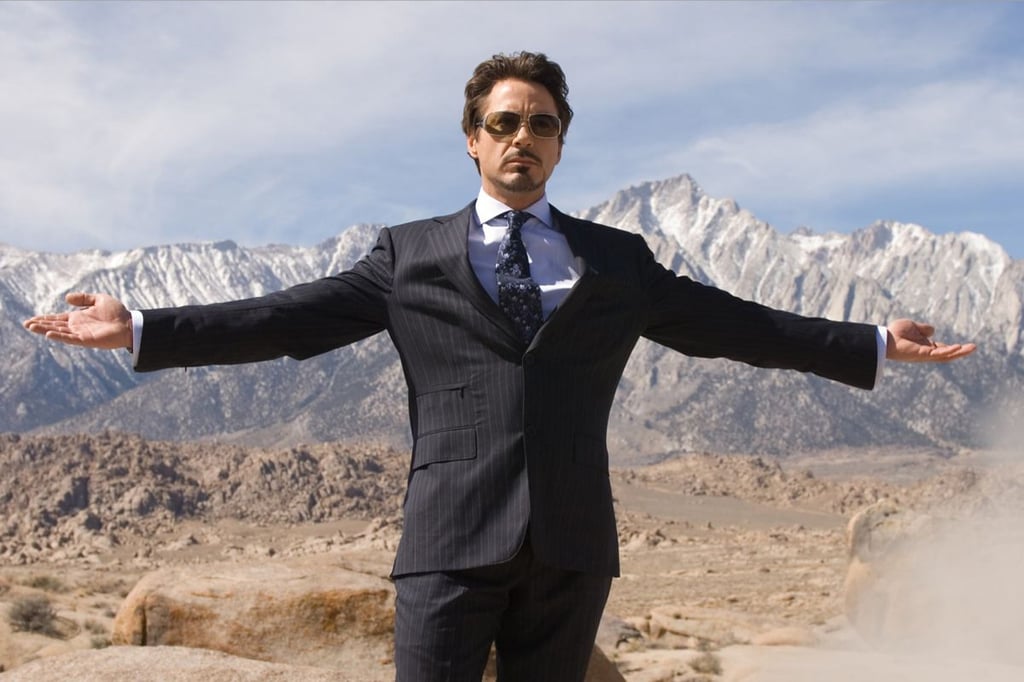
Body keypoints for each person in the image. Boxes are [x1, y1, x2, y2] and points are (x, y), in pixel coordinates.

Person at [23, 51, 975, 682]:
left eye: (544, 124)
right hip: (446, 542)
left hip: (568, 544)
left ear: (562, 143)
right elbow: (286, 320)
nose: (525, 138)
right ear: (474, 139)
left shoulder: (617, 262)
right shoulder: (408, 256)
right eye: (507, 123)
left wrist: (874, 342)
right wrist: (142, 326)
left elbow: (739, 325)